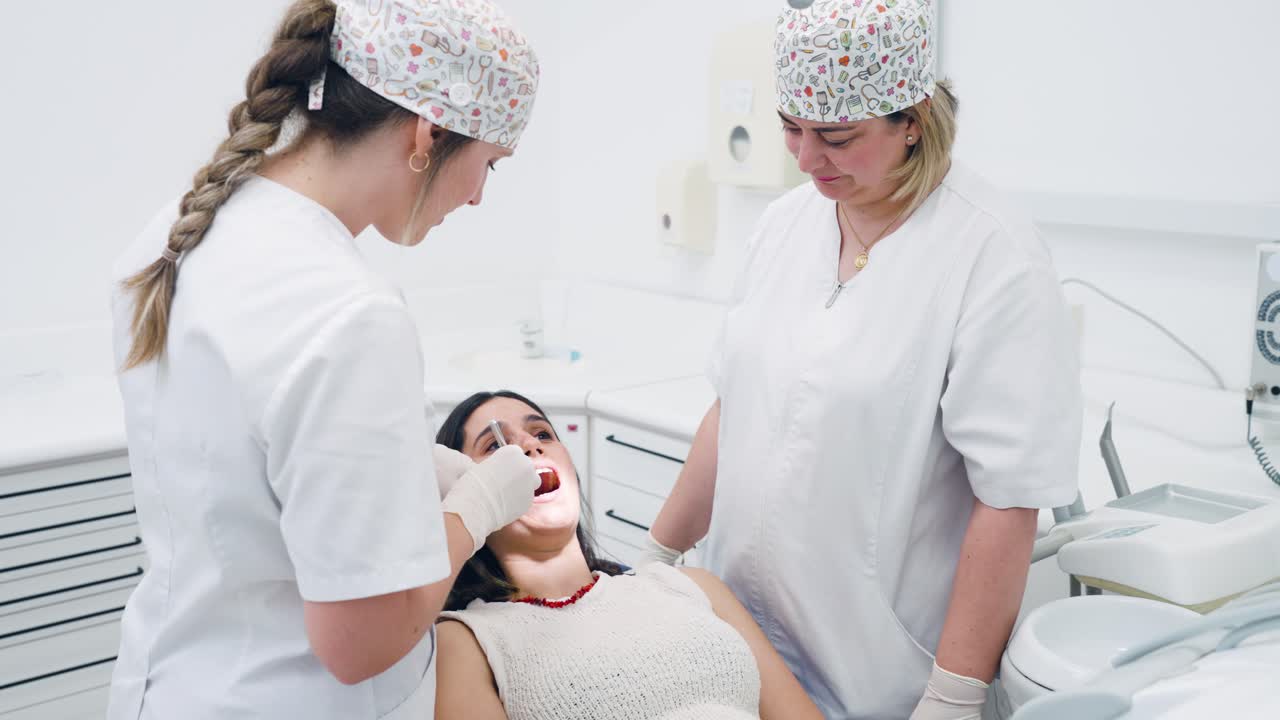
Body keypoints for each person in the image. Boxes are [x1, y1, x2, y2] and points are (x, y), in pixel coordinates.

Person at [645, 2, 1083, 718]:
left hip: (878, 676)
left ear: (911, 120)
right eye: (791, 128)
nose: (807, 158)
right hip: (735, 640)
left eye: (837, 138)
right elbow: (733, 409)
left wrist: (955, 692)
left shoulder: (992, 255)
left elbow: (1009, 498)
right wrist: (657, 558)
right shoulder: (787, 225)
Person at [107, 1, 543, 717]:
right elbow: (361, 642)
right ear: (427, 135)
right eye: (487, 164)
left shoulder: (177, 233)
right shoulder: (350, 316)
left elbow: (241, 460)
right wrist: (476, 506)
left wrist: (398, 467)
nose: (477, 197)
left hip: (172, 679)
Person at [430, 391, 825, 720]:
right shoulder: (467, 641)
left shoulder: (690, 587)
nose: (528, 446)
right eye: (495, 446)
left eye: (542, 434)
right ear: (467, 493)